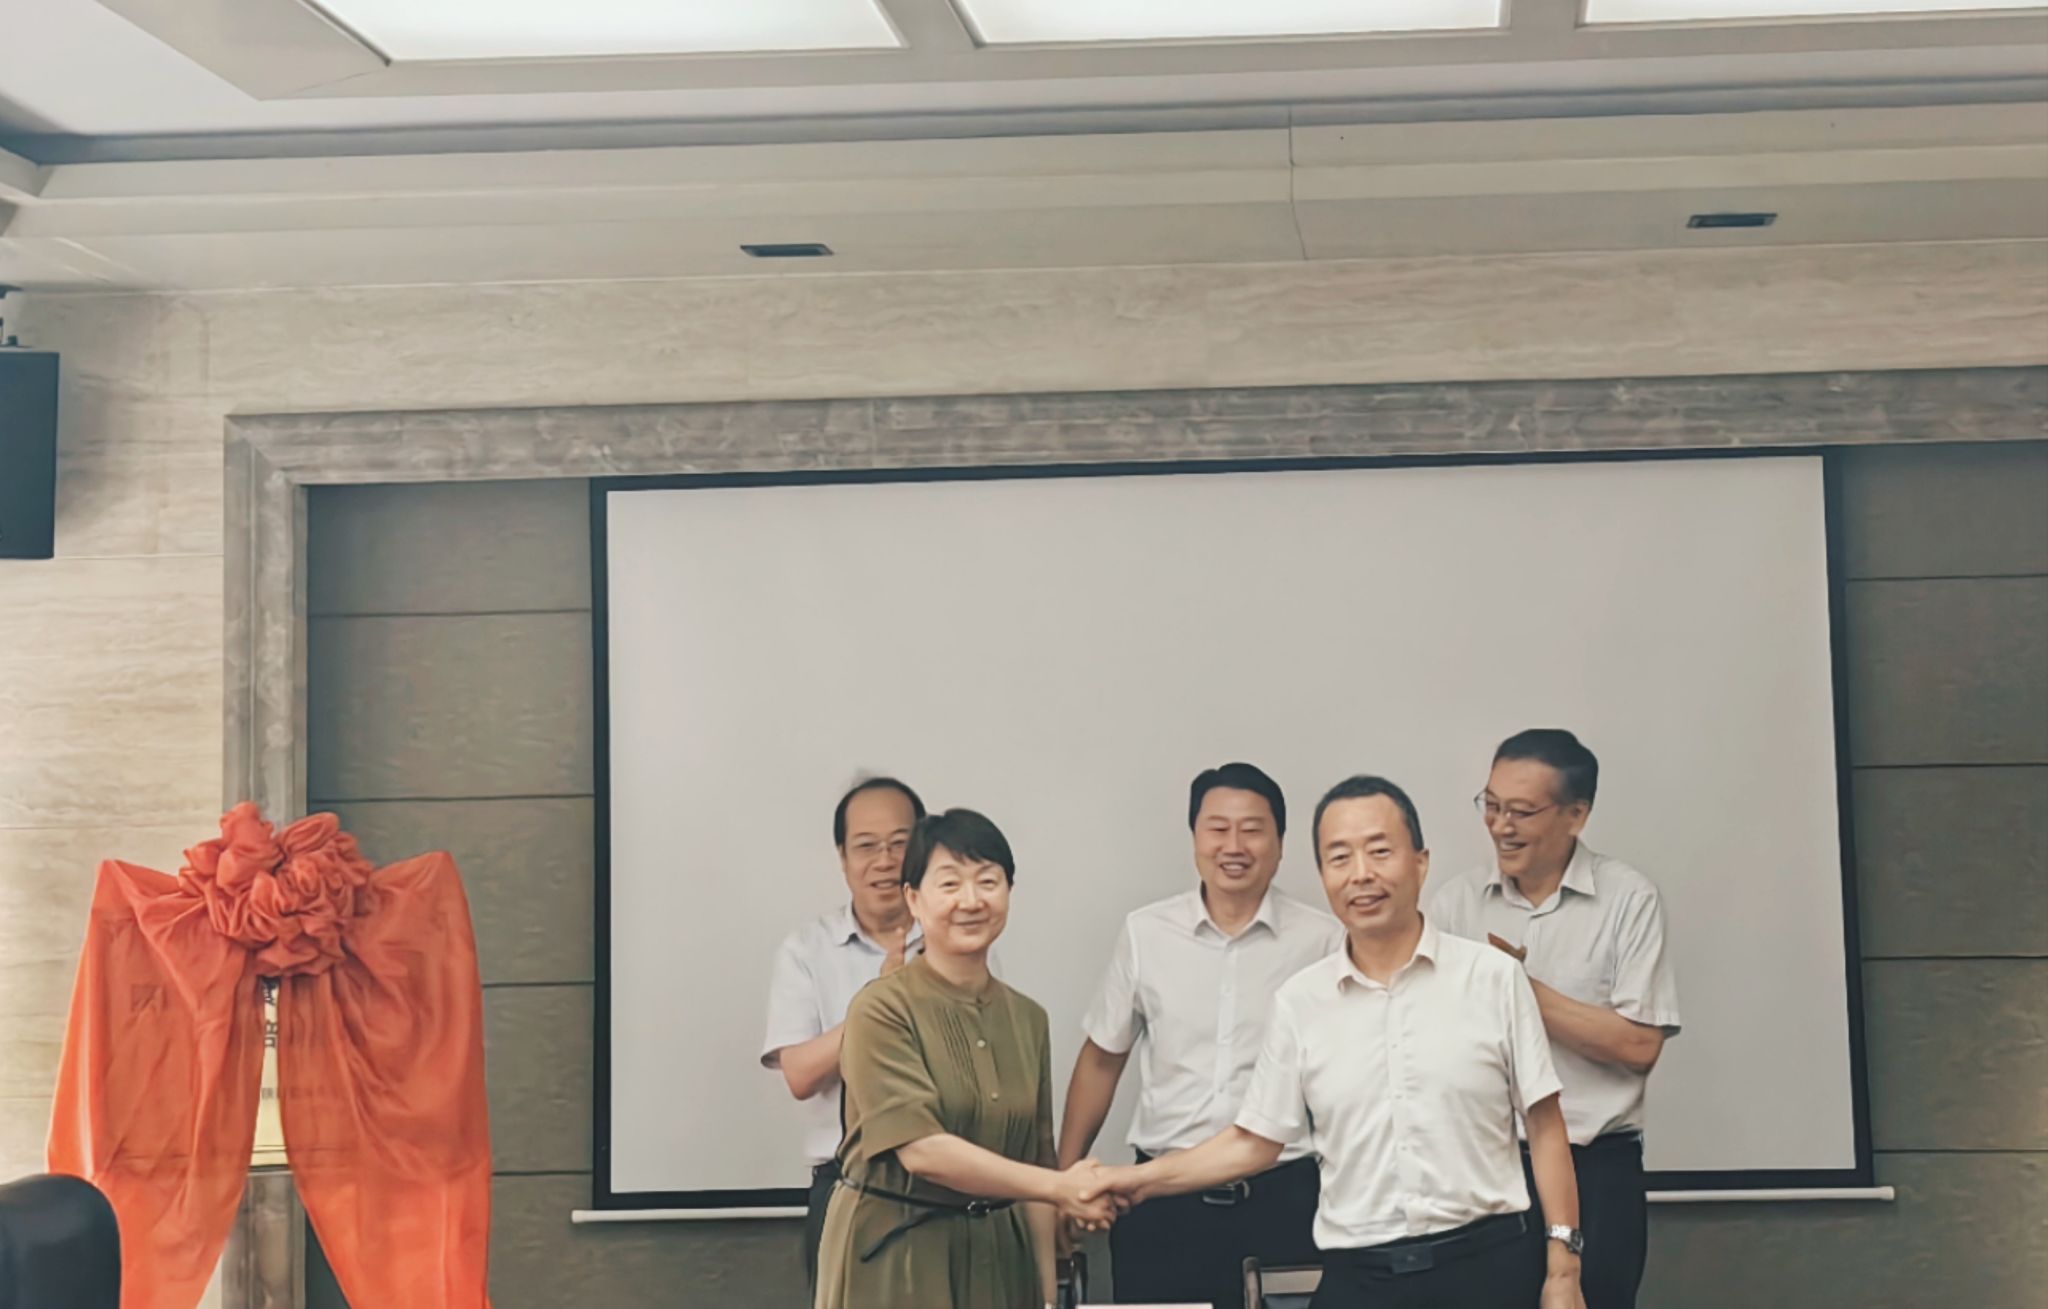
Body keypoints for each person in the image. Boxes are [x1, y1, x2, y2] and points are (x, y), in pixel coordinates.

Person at [1095, 776, 1587, 1309]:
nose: (1361, 874)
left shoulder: (1492, 977)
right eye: (1339, 857)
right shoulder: (1300, 1001)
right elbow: (1253, 1142)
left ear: (1420, 862)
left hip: (1488, 1269)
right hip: (1360, 1279)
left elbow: (1545, 1125)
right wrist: (1135, 1180)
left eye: (1380, 851)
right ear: (1323, 876)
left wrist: (1564, 1269)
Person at [1058, 762, 1342, 1308]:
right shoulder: (1146, 933)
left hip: (1285, 1199)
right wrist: (1064, 1180)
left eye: (1252, 829)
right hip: (1161, 1207)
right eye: (1217, 828)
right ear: (1195, 838)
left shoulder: (1323, 941)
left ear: (1280, 844)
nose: (1233, 845)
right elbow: (1101, 1059)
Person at [815, 807, 1117, 1309]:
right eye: (950, 884)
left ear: (1009, 891)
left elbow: (1034, 1160)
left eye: (988, 881)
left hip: (1001, 1255)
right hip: (897, 1258)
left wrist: (1045, 1292)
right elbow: (922, 1150)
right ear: (914, 898)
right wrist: (1062, 1185)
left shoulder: (1028, 1018)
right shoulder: (881, 1008)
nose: (971, 900)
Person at [1429, 730, 1681, 1309]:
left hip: (1595, 1172)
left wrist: (1517, 988)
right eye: (1491, 805)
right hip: (1480, 1173)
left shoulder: (1628, 900)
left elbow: (1639, 1046)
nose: (1500, 825)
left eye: (1521, 811)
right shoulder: (1455, 905)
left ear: (1576, 815)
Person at [759, 776, 928, 1290]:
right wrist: (879, 1003)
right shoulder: (806, 950)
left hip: (949, 1186)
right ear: (843, 857)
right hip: (848, 1186)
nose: (885, 860)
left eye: (899, 843)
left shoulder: (955, 939)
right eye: (867, 846)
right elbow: (800, 1075)